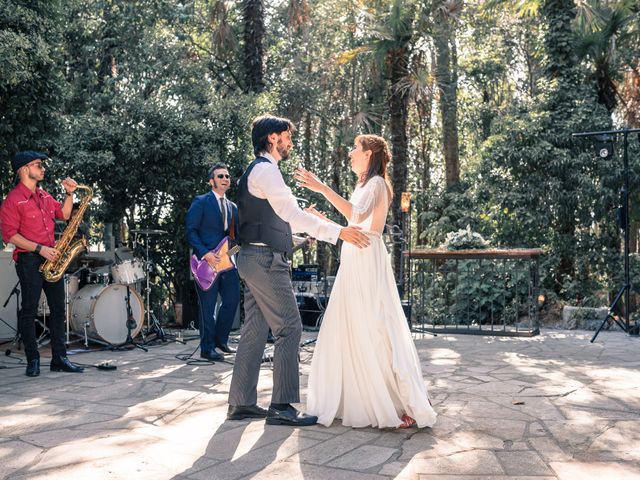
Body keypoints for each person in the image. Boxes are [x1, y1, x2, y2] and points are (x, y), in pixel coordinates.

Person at [227, 115, 370, 427]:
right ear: (274, 138)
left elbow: (276, 218)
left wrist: (299, 230)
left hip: (254, 257)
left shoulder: (261, 171)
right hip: (265, 261)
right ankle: (281, 406)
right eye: (287, 137)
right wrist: (338, 232)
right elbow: (290, 214)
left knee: (254, 328)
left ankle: (241, 403)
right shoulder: (266, 170)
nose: (290, 142)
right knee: (290, 327)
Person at [295, 134, 437, 429]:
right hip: (355, 257)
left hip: (367, 258)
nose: (350, 153)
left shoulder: (377, 184)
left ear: (369, 153)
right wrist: (325, 221)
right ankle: (358, 397)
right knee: (354, 323)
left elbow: (359, 216)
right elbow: (354, 226)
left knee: (373, 322)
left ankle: (397, 400)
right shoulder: (362, 185)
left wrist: (322, 188)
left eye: (354, 148)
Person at [0, 151, 85, 377]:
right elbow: (10, 236)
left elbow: (66, 214)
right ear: (24, 170)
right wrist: (40, 249)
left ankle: (59, 358)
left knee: (58, 310)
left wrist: (69, 194)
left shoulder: (45, 196)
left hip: (52, 258)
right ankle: (33, 359)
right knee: (29, 311)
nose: (42, 168)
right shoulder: (12, 200)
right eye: (38, 165)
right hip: (29, 259)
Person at [186, 163, 240, 361]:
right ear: (211, 181)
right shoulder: (201, 202)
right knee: (207, 308)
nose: (225, 178)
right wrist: (205, 254)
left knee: (232, 301)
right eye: (220, 176)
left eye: (227, 175)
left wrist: (229, 255)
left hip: (227, 265)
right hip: (206, 264)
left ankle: (220, 341)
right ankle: (206, 348)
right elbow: (191, 231)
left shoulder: (233, 207)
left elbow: (238, 240)